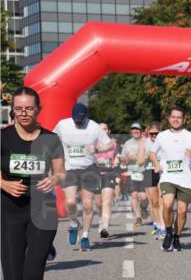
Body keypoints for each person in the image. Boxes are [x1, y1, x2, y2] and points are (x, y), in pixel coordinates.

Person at [1, 87, 65, 280]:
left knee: (33, 273)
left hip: (43, 209)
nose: (24, 113)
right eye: (19, 108)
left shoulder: (51, 139)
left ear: (38, 109)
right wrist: (4, 185)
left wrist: (54, 178)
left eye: (29, 108)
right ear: (13, 109)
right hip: (10, 210)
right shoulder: (3, 137)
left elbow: (61, 172)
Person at [53, 102, 114, 251]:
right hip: (71, 169)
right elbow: (52, 138)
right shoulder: (63, 124)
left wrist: (98, 148)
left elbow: (110, 144)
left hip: (89, 169)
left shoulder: (94, 127)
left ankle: (85, 235)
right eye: (76, 120)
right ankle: (74, 223)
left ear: (86, 117)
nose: (78, 122)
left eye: (81, 120)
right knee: (70, 202)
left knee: (87, 205)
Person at [149, 107, 191, 252]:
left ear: (184, 119)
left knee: (182, 211)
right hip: (167, 176)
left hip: (185, 178)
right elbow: (152, 152)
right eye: (173, 117)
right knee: (167, 205)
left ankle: (177, 237)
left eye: (179, 117)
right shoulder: (162, 136)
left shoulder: (190, 136)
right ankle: (168, 233)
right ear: (169, 118)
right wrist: (156, 163)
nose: (176, 119)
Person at [119, 122, 151, 231]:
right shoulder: (127, 143)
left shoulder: (147, 142)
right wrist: (125, 159)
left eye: (137, 129)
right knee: (134, 196)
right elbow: (122, 158)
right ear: (131, 131)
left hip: (144, 172)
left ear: (141, 131)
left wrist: (141, 157)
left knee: (144, 197)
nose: (135, 131)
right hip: (131, 172)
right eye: (133, 129)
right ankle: (138, 218)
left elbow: (148, 155)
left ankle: (143, 209)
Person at [93, 121, 118, 238]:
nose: (103, 131)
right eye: (100, 129)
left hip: (109, 174)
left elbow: (116, 157)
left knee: (107, 202)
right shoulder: (93, 143)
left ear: (109, 131)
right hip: (95, 175)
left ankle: (105, 227)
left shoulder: (113, 143)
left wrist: (117, 160)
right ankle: (100, 220)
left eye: (105, 129)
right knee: (98, 203)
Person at [143, 123, 165, 238]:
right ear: (148, 134)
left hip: (161, 172)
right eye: (152, 133)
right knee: (154, 203)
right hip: (149, 172)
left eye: (157, 133)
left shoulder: (164, 142)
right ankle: (157, 224)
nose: (155, 135)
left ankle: (163, 227)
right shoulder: (144, 143)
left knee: (162, 202)